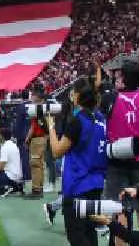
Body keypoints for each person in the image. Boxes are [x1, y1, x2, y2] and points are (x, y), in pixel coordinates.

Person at [100, 63, 139, 244]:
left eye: (119, 76)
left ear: (124, 78)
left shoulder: (110, 99)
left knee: (119, 207)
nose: (116, 79)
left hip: (117, 159)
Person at [47, 77, 108, 246]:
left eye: (73, 92)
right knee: (90, 234)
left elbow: (57, 151)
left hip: (77, 186)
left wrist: (51, 126)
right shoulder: (101, 119)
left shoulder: (78, 121)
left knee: (78, 237)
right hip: (96, 184)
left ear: (78, 95)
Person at [26, 88, 50, 198]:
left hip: (38, 138)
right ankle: (38, 188)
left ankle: (36, 190)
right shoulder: (41, 109)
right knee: (38, 164)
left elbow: (36, 126)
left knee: (36, 164)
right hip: (40, 138)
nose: (32, 100)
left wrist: (28, 138)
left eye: (33, 98)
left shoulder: (40, 110)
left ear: (38, 98)